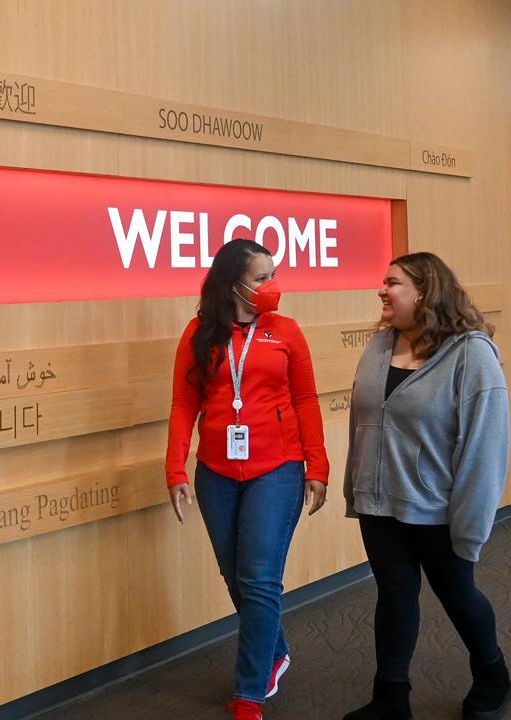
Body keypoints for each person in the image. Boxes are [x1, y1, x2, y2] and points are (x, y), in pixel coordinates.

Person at [343, 252, 511, 720]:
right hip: (379, 504)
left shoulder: (470, 354)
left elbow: (486, 448)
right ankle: (390, 699)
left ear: (424, 291)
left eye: (392, 282)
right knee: (394, 595)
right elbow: (363, 425)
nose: (382, 289)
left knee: (458, 595)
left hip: (438, 510)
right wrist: (353, 489)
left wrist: (471, 526)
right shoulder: (379, 346)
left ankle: (494, 676)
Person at [166, 238, 329, 720]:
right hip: (216, 471)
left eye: (272, 275)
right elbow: (183, 405)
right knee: (237, 575)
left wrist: (316, 466)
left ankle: (249, 693)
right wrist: (175, 468)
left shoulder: (287, 332)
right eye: (262, 277)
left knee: (259, 579)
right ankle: (274, 651)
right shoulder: (199, 334)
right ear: (232, 282)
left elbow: (306, 401)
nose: (271, 285)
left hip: (276, 468)